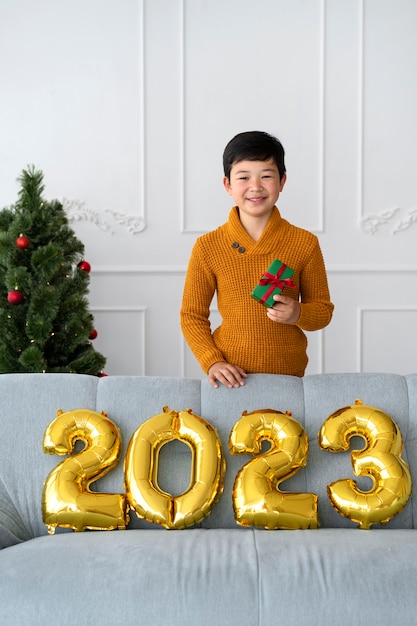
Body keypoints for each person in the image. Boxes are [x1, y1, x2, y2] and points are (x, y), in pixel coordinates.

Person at [180, 130, 334, 389]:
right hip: (230, 378)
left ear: (282, 181)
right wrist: (212, 361)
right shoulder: (207, 246)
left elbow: (323, 311)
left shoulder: (304, 243)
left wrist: (298, 312)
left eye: (266, 176)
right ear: (228, 185)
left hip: (289, 376)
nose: (255, 186)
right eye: (243, 177)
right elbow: (191, 315)